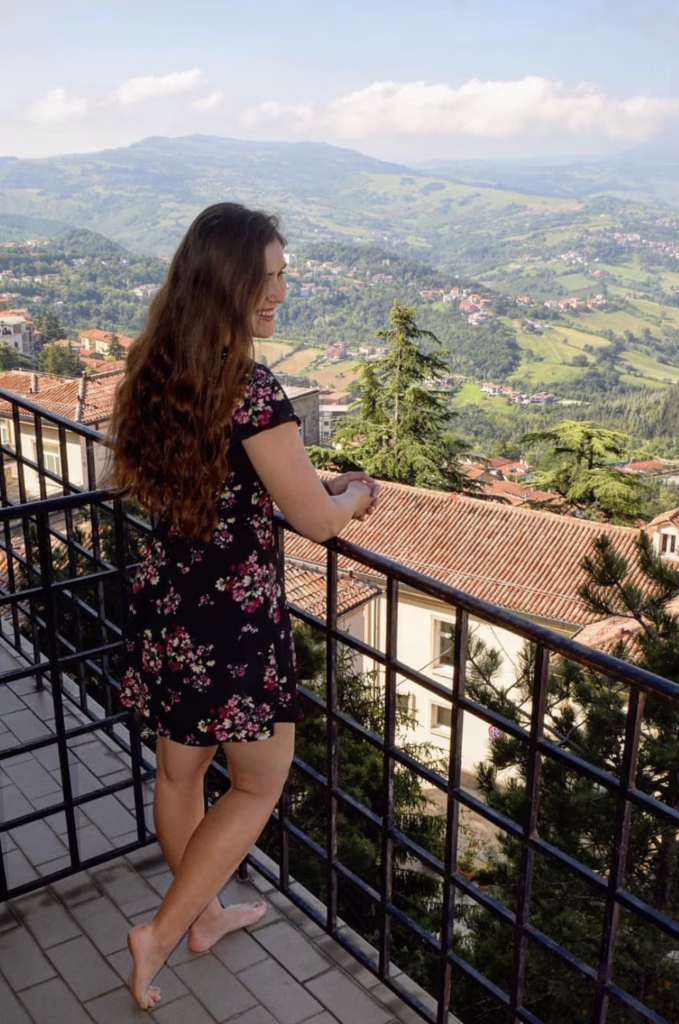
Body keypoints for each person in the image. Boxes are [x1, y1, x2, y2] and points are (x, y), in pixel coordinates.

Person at [110, 202, 379, 1010]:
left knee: (178, 769)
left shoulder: (158, 363)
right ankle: (160, 934)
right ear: (226, 286)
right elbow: (315, 520)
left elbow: (229, 483)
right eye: (268, 279)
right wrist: (356, 495)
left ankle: (205, 916)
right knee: (259, 783)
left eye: (283, 275)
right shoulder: (249, 388)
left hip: (168, 603)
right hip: (229, 623)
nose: (282, 293)